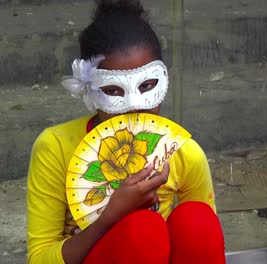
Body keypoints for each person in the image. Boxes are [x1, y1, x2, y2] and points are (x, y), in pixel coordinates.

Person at [26, 1, 225, 263]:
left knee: (197, 220)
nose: (134, 107)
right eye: (113, 90)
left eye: (147, 86)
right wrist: (110, 217)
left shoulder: (186, 154)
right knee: (142, 229)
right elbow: (38, 258)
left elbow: (205, 244)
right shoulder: (55, 147)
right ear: (88, 88)